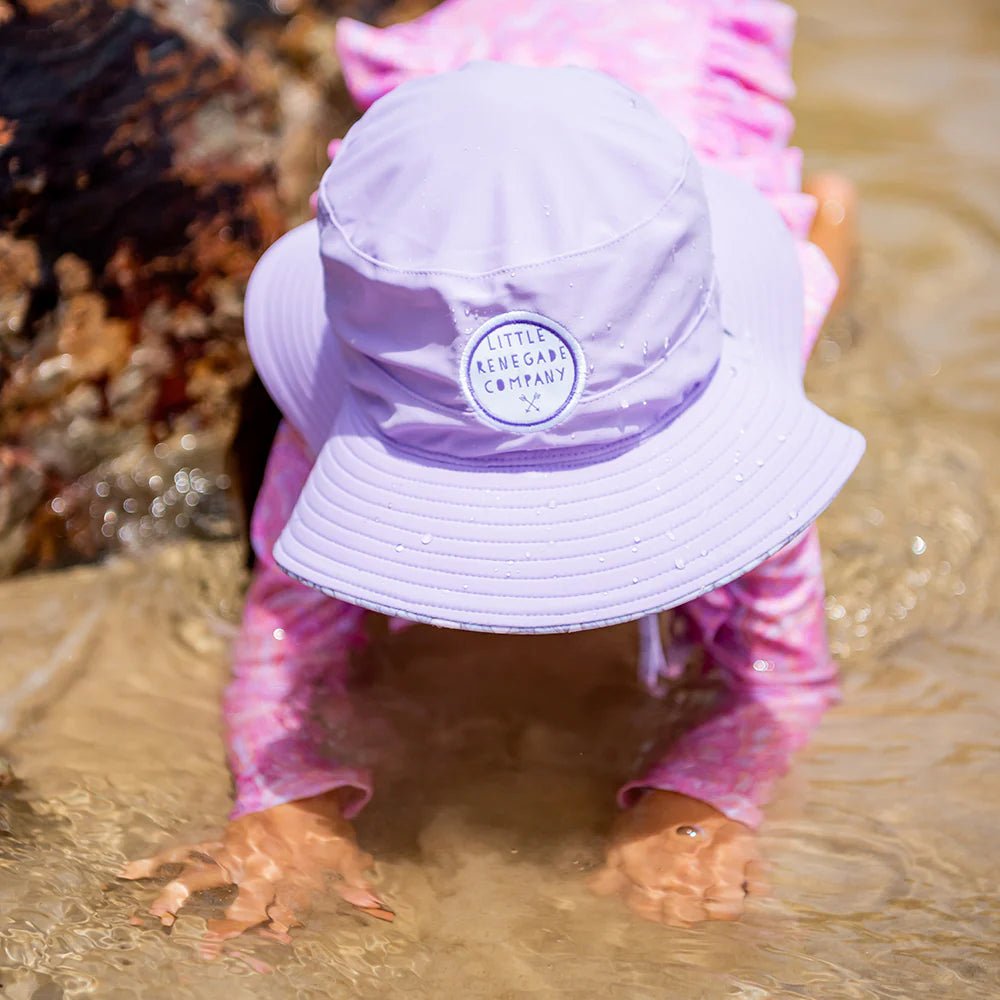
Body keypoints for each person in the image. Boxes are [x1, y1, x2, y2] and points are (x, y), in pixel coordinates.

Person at [121, 0, 863, 947]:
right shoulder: (349, 406)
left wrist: (700, 800)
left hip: (651, 127)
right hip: (483, 141)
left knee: (810, 291)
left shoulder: (734, 394)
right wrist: (287, 797)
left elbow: (786, 678)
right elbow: (284, 642)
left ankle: (836, 217)